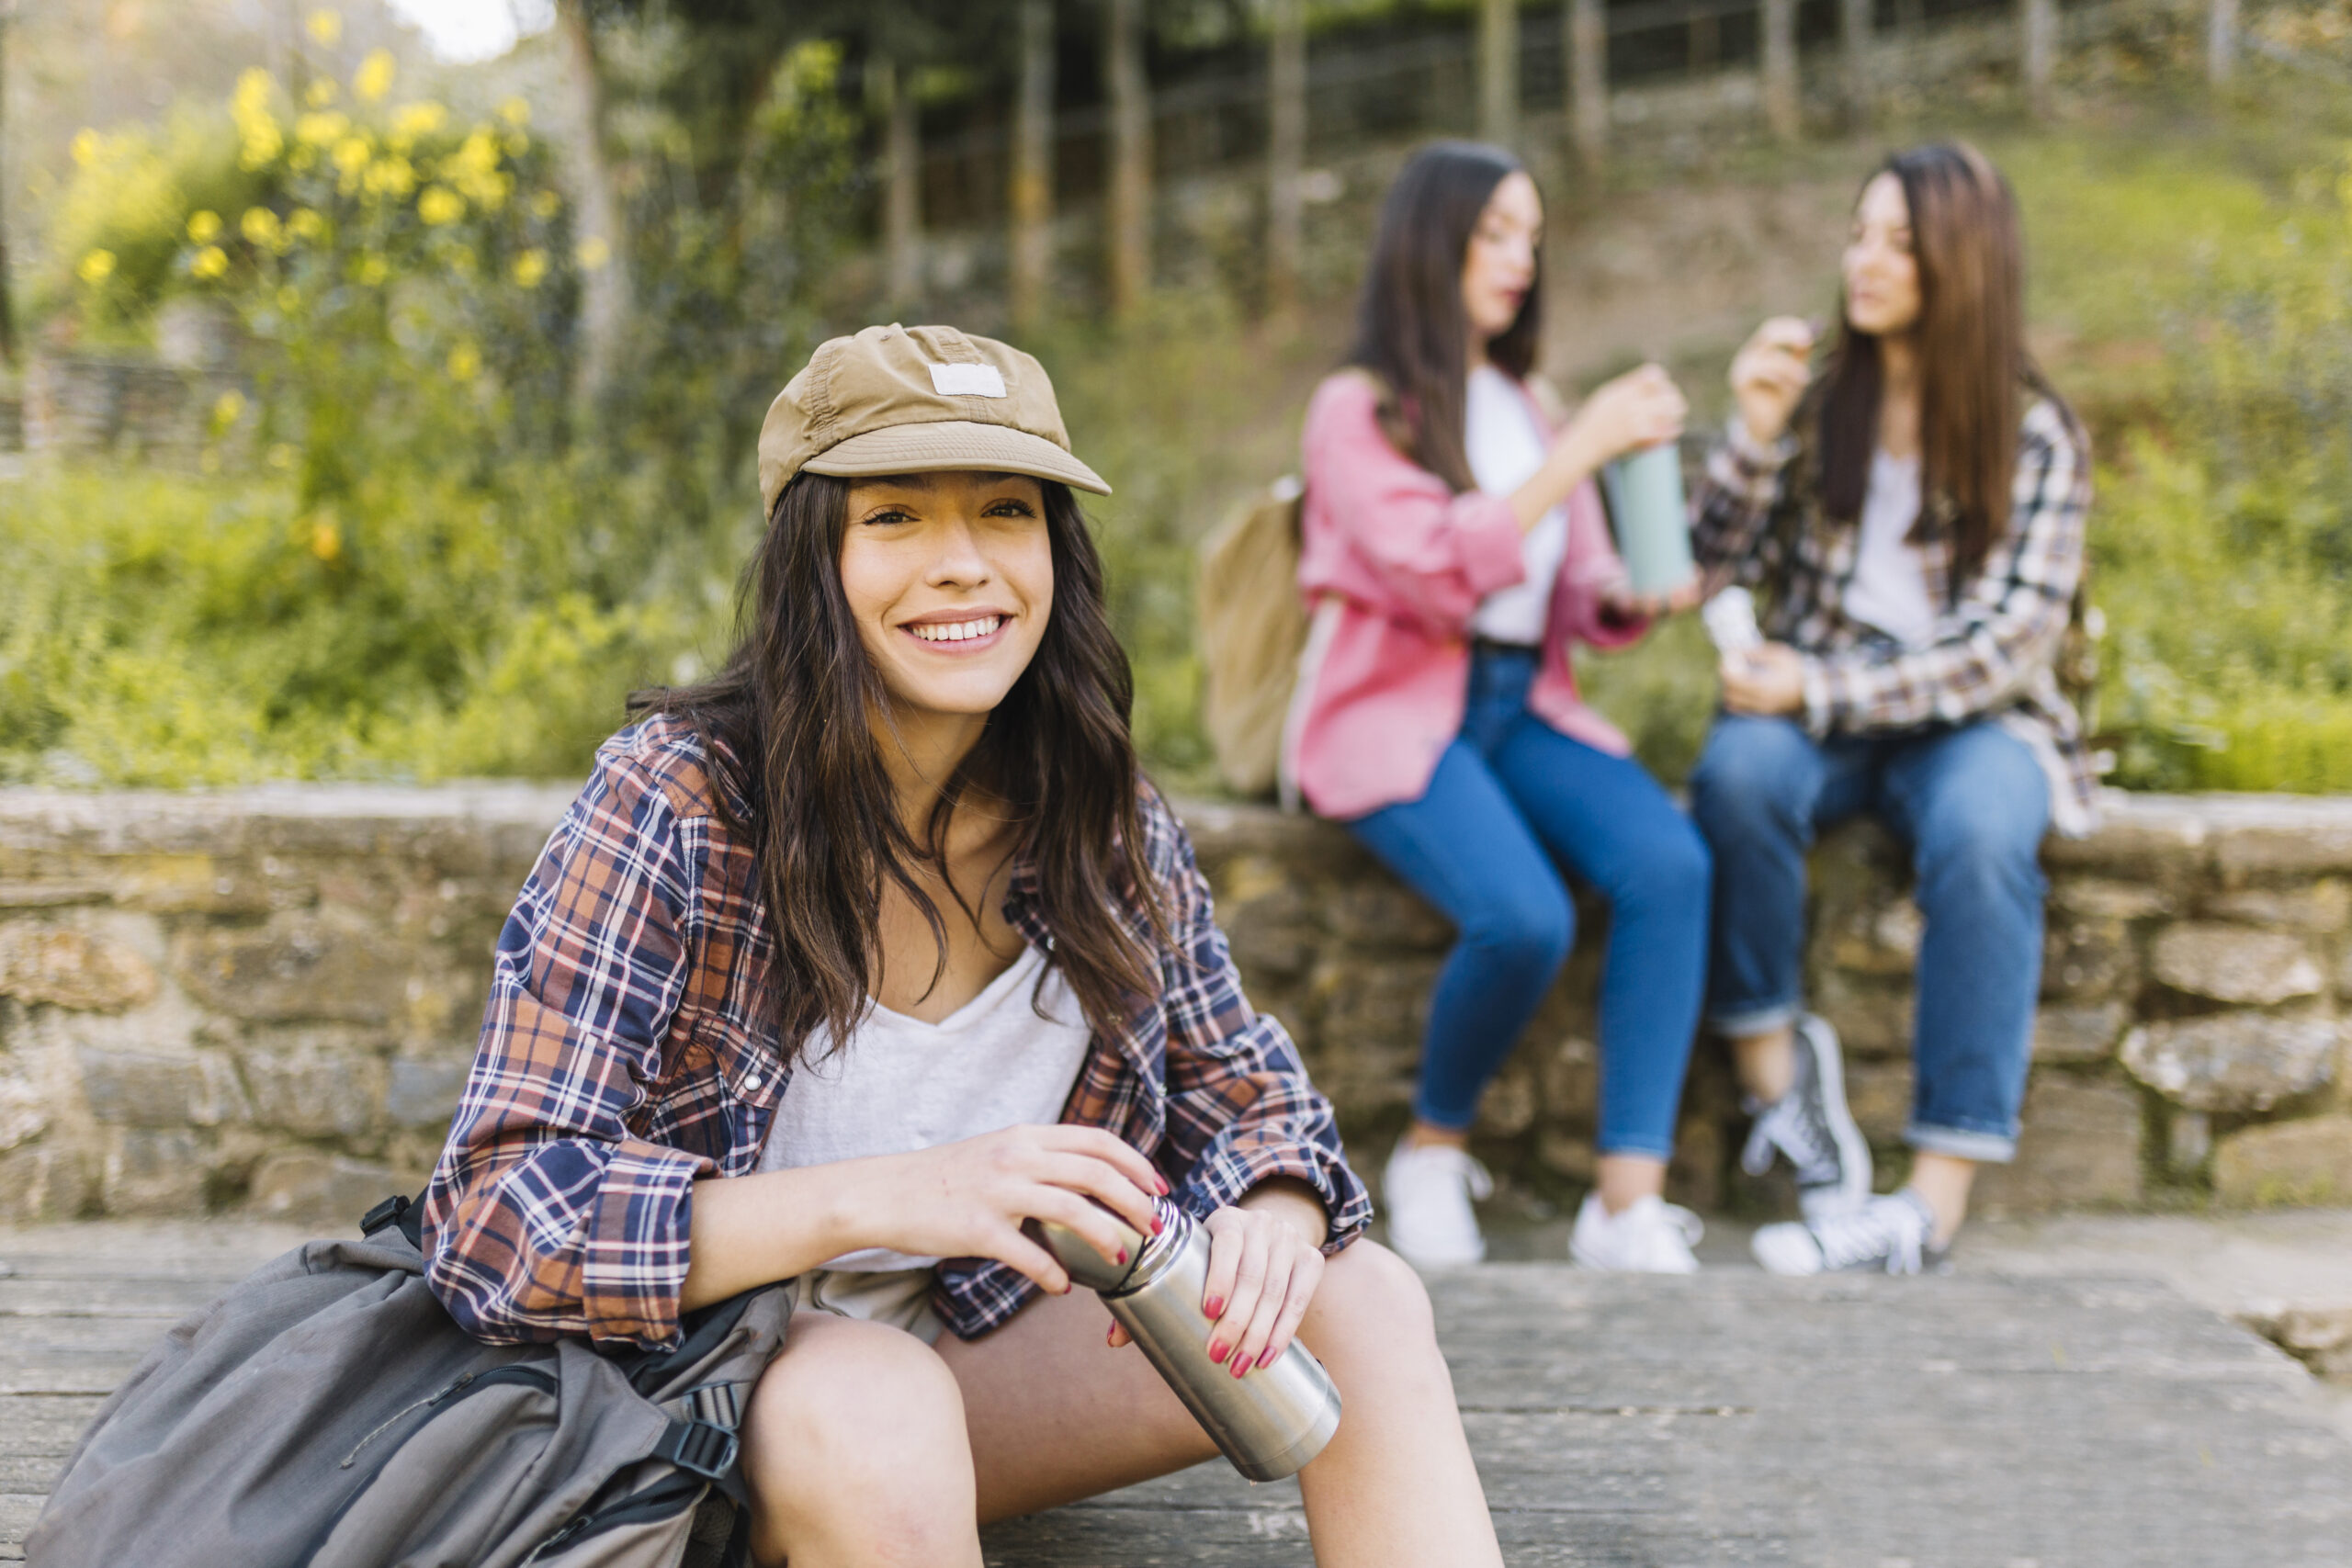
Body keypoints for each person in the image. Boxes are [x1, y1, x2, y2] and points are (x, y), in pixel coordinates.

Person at [420, 324, 1507, 1566]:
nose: (963, 565)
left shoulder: (1101, 821)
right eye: (894, 518)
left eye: (1004, 509)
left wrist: (1272, 1204)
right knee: (877, 1396)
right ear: (810, 559)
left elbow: (1254, 1095)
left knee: (1361, 1297)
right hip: (695, 1397)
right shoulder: (679, 801)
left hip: (963, 1370)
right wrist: (897, 1194)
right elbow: (500, 1213)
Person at [1287, 141, 1715, 1273]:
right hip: (1394, 708)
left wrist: (1636, 596)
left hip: (1522, 701)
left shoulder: (1528, 401)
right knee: (1523, 916)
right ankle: (1431, 1149)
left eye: (1531, 235)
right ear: (1431, 243)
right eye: (1494, 233)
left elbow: (1566, 592)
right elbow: (1435, 568)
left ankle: (1626, 1204)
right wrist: (1578, 452)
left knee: (1668, 864)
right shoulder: (1358, 409)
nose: (1519, 258)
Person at [1688, 142, 2094, 1277]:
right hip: (1818, 713)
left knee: (1981, 832)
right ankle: (1784, 1093)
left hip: (1973, 720)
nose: (1864, 262)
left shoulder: (2035, 436)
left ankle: (1929, 1204)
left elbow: (2003, 648)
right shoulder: (1824, 406)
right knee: (1737, 776)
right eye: (1859, 234)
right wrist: (1754, 434)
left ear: (1961, 263)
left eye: (1898, 243)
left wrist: (1815, 686)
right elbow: (1703, 566)